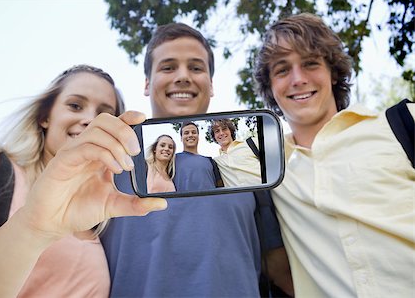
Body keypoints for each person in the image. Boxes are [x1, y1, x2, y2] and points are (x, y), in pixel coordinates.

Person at [101, 23, 293, 296]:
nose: (183, 76)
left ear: (211, 85)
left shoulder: (251, 174)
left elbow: (280, 270)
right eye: (168, 67)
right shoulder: (111, 162)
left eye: (196, 67)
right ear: (147, 82)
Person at [0, 64, 167, 297]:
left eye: (104, 114)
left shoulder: (106, 211)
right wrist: (33, 227)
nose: (89, 120)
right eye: (75, 106)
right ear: (45, 117)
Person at [254, 13, 415, 297]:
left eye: (310, 63)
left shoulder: (402, 124)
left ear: (333, 72)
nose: (298, 79)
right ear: (271, 89)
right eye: (282, 70)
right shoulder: (266, 170)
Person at [210, 118, 262, 187]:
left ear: (231, 131)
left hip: (265, 193)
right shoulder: (216, 162)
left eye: (224, 129)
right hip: (239, 197)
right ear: (214, 137)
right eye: (217, 131)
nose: (221, 133)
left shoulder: (251, 144)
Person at [173, 121, 223, 191]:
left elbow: (220, 187)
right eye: (186, 133)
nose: (190, 135)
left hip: (209, 201)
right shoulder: (173, 159)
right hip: (183, 201)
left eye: (194, 132)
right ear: (181, 138)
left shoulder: (211, 161)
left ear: (198, 137)